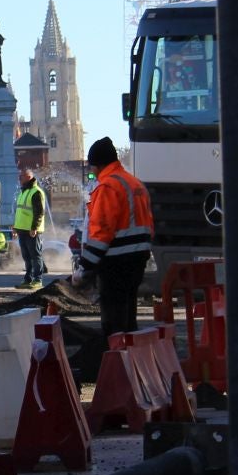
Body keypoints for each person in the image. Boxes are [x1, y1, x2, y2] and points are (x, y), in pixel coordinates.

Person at [72, 137, 155, 340]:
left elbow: (102, 233)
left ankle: (116, 358)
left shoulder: (108, 187)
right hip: (138, 260)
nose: (92, 171)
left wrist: (85, 267)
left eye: (92, 167)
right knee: (128, 313)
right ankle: (131, 354)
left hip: (115, 262)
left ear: (99, 164)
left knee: (113, 318)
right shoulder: (135, 184)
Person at [14, 167, 48, 289]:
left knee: (35, 255)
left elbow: (39, 212)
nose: (19, 178)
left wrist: (34, 227)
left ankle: (38, 279)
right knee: (27, 257)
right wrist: (16, 228)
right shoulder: (23, 191)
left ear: (28, 177)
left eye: (21, 176)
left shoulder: (36, 192)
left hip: (32, 231)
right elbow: (20, 212)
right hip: (22, 230)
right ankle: (28, 279)